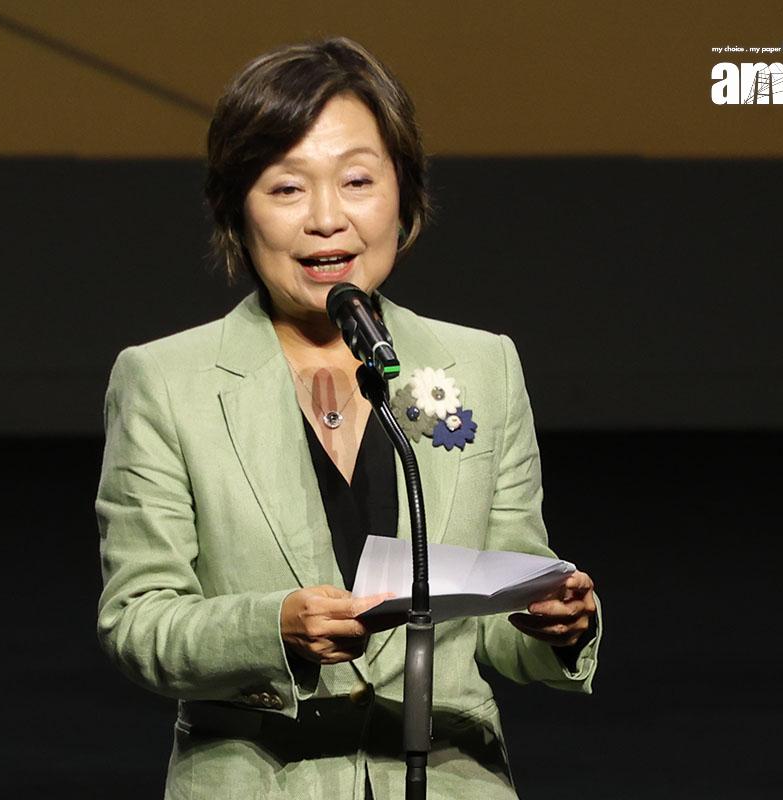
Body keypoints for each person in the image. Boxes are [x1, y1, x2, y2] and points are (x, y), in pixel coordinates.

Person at [95, 37, 602, 800]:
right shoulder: (165, 381)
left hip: (446, 778)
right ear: (237, 210)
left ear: (404, 195)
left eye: (358, 180)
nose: (327, 219)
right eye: (286, 188)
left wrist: (554, 621)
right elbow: (138, 623)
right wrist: (273, 626)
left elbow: (498, 619)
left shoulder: (484, 366)